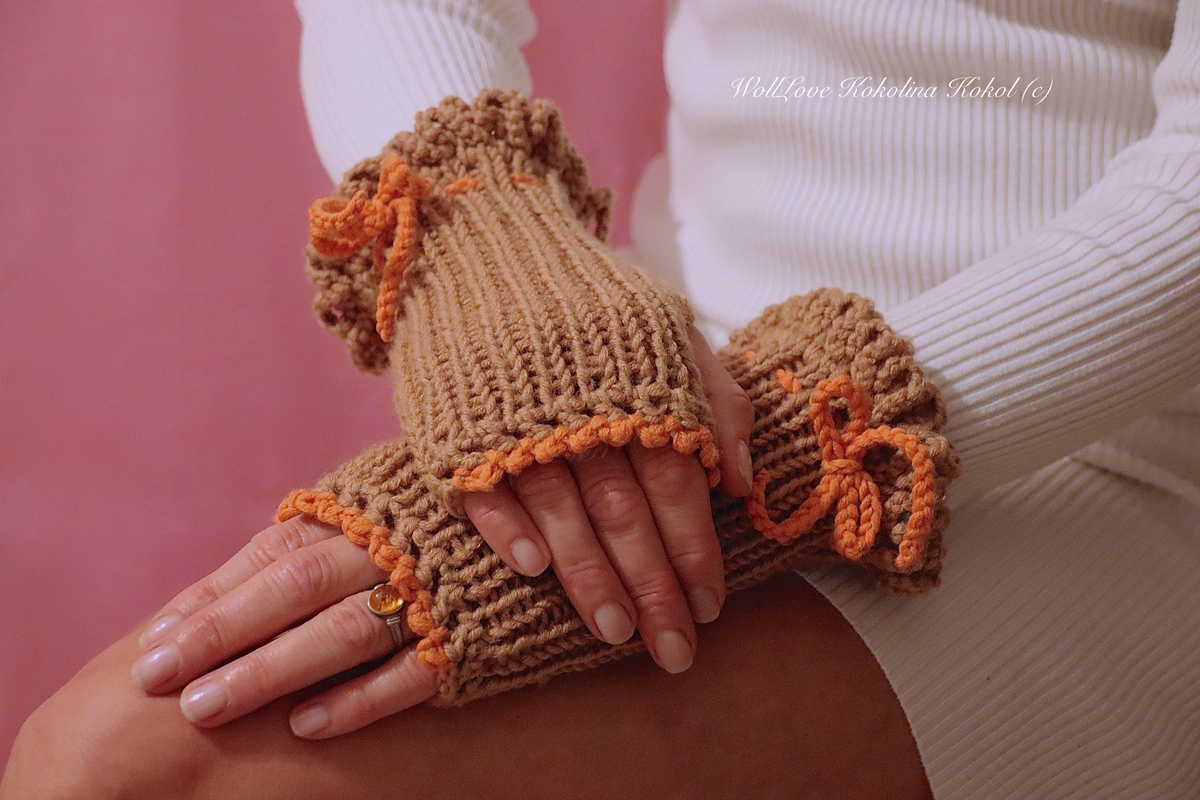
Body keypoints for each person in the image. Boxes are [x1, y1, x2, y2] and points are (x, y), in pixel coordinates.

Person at [4, 0, 1199, 797]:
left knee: (132, 771)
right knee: (86, 755)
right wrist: (476, 220)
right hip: (676, 360)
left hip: (1087, 437)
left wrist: (791, 443)